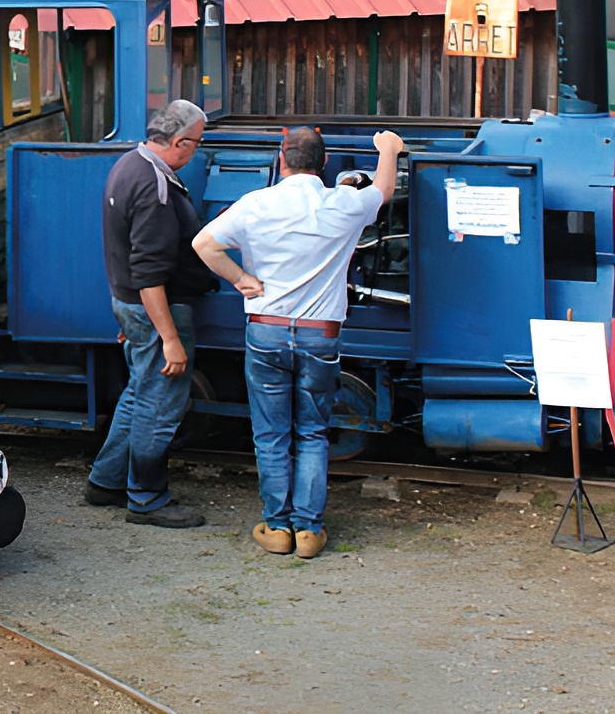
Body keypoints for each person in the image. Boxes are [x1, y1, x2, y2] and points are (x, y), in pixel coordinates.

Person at [194, 126, 404, 560]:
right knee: (312, 431)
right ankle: (308, 532)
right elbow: (384, 189)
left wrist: (241, 280)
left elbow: (204, 244)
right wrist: (388, 148)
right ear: (324, 164)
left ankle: (276, 527)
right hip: (319, 334)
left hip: (266, 329)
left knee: (271, 434)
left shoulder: (256, 203)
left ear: (281, 160)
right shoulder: (342, 203)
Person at [82, 99, 215, 529]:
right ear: (179, 142)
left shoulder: (128, 164)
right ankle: (147, 498)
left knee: (140, 393)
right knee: (160, 405)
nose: (195, 149)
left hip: (133, 307)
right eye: (196, 143)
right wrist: (169, 337)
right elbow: (150, 274)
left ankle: (105, 482)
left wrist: (129, 319)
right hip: (157, 309)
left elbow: (124, 256)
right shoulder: (155, 188)